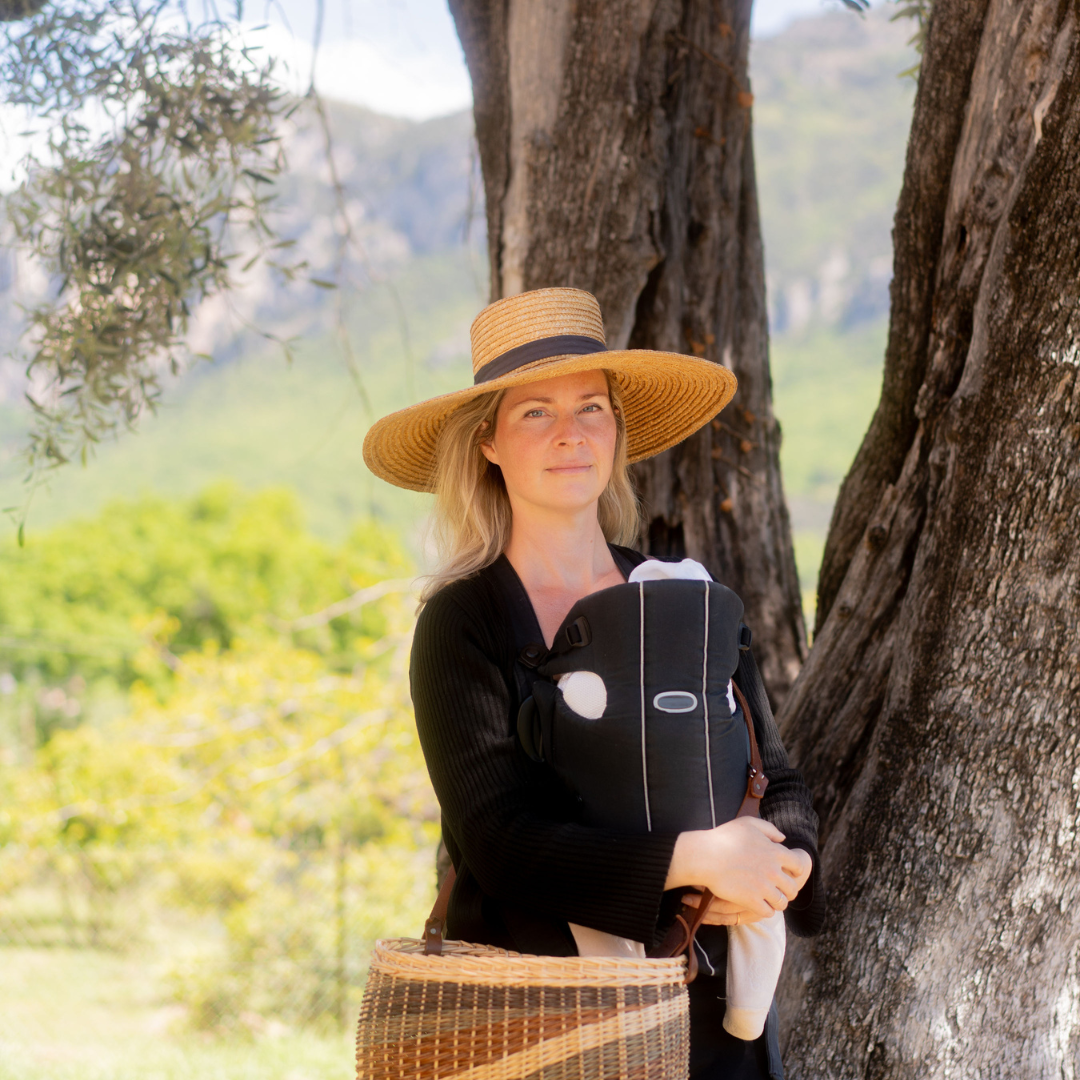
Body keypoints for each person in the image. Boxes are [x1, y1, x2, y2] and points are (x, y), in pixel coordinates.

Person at [362, 287, 825, 1080]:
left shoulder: (682, 595)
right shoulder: (463, 623)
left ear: (617, 430)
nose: (571, 435)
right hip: (542, 1028)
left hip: (712, 1025)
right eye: (536, 413)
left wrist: (784, 869)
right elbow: (497, 842)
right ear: (489, 443)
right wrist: (699, 861)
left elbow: (772, 773)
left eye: (591, 408)